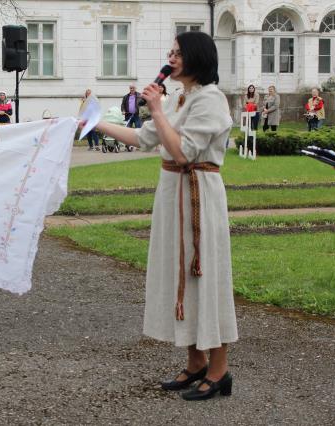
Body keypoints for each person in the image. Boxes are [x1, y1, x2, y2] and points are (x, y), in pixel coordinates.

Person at [88, 31, 237, 401]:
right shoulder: (179, 98)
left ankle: (219, 371)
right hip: (173, 194)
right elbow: (144, 139)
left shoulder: (211, 100)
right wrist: (91, 124)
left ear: (196, 57)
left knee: (204, 275)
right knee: (178, 275)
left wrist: (155, 107)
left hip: (198, 192)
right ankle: (195, 362)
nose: (169, 58)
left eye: (177, 53)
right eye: (169, 51)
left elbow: (184, 152)